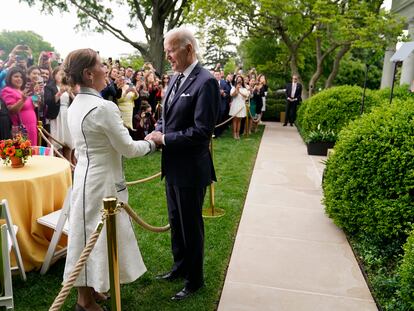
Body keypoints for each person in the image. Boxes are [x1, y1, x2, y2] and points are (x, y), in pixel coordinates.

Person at [62, 48, 156, 311]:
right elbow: (129, 148)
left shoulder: (74, 104)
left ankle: (93, 288)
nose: (106, 69)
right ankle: (84, 300)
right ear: (89, 74)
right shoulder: (103, 107)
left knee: (89, 234)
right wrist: (152, 143)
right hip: (101, 181)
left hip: (84, 177)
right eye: (101, 65)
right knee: (93, 236)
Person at [145, 27, 219, 300]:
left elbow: (201, 133)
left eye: (171, 51)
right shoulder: (175, 78)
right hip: (172, 166)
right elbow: (167, 117)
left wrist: (164, 138)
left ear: (188, 49)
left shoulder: (206, 82)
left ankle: (195, 279)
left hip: (191, 169)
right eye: (166, 52)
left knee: (190, 225)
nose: (168, 57)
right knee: (176, 222)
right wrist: (157, 131)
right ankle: (179, 267)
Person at [0, 67, 37, 143]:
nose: (19, 79)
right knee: (23, 153)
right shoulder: (7, 90)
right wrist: (22, 100)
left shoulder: (23, 91)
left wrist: (37, 94)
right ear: (9, 78)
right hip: (21, 129)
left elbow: (34, 106)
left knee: (33, 152)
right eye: (16, 76)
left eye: (21, 77)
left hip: (32, 127)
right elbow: (12, 110)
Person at [229, 75, 249, 139]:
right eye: (238, 79)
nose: (239, 80)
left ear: (242, 81)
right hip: (235, 104)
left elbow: (246, 96)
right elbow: (232, 95)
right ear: (236, 80)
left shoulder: (244, 88)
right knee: (235, 120)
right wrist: (236, 89)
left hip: (241, 105)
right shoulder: (233, 87)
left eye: (240, 79)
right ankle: (234, 134)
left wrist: (240, 91)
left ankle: (238, 134)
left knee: (239, 120)